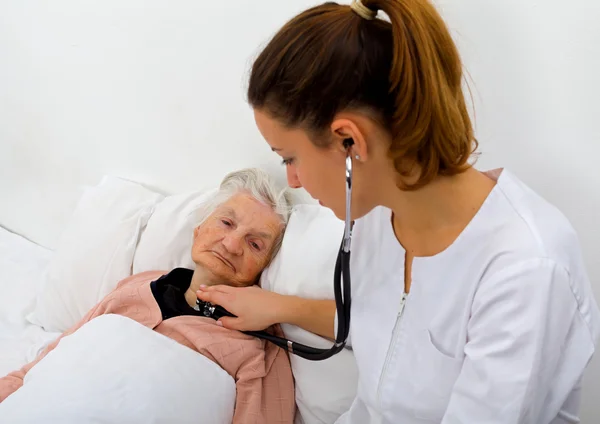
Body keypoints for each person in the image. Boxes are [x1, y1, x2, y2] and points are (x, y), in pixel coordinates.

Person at [196, 1, 600, 422]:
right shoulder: (376, 217)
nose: (293, 180)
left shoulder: (525, 271)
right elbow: (391, 328)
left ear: (349, 142)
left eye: (289, 157)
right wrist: (277, 306)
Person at [0, 168, 295, 424]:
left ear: (264, 269)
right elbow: (53, 358)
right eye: (226, 223)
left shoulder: (261, 348)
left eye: (254, 244)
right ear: (199, 229)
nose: (231, 244)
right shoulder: (139, 285)